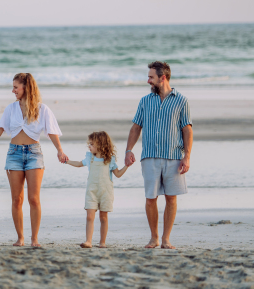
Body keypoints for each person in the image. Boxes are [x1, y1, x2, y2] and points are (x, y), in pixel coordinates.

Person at [0, 73, 68, 247]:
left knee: (34, 199)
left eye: (16, 87)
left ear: (26, 88)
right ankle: (20, 238)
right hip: (14, 154)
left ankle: (34, 239)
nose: (13, 91)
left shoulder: (43, 109)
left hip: (34, 154)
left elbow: (52, 132)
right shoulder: (11, 109)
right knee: (17, 199)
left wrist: (60, 151)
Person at [125, 61, 193, 249]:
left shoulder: (181, 101)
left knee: (171, 198)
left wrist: (187, 156)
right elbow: (136, 127)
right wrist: (129, 150)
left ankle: (166, 239)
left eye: (151, 77)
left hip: (174, 157)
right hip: (150, 157)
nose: (148, 81)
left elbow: (187, 130)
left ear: (163, 78)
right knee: (150, 198)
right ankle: (154, 237)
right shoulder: (145, 101)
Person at [65, 131, 129, 248]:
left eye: (91, 144)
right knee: (90, 216)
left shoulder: (110, 160)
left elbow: (118, 174)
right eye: (89, 144)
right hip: (92, 192)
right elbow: (79, 163)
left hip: (106, 193)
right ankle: (88, 241)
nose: (89, 146)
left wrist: (127, 165)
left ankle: (102, 242)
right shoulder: (90, 158)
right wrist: (67, 161)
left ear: (100, 145)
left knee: (103, 217)